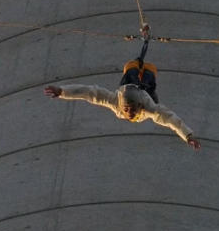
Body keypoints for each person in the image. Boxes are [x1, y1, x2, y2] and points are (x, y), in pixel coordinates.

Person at [43, 26, 201, 149]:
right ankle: (139, 64)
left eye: (131, 109)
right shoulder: (115, 101)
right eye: (127, 109)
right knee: (134, 68)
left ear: (139, 105)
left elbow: (170, 119)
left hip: (146, 93)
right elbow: (88, 92)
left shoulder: (148, 107)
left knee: (148, 71)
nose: (129, 113)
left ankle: (144, 65)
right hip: (129, 87)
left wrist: (188, 136)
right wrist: (62, 91)